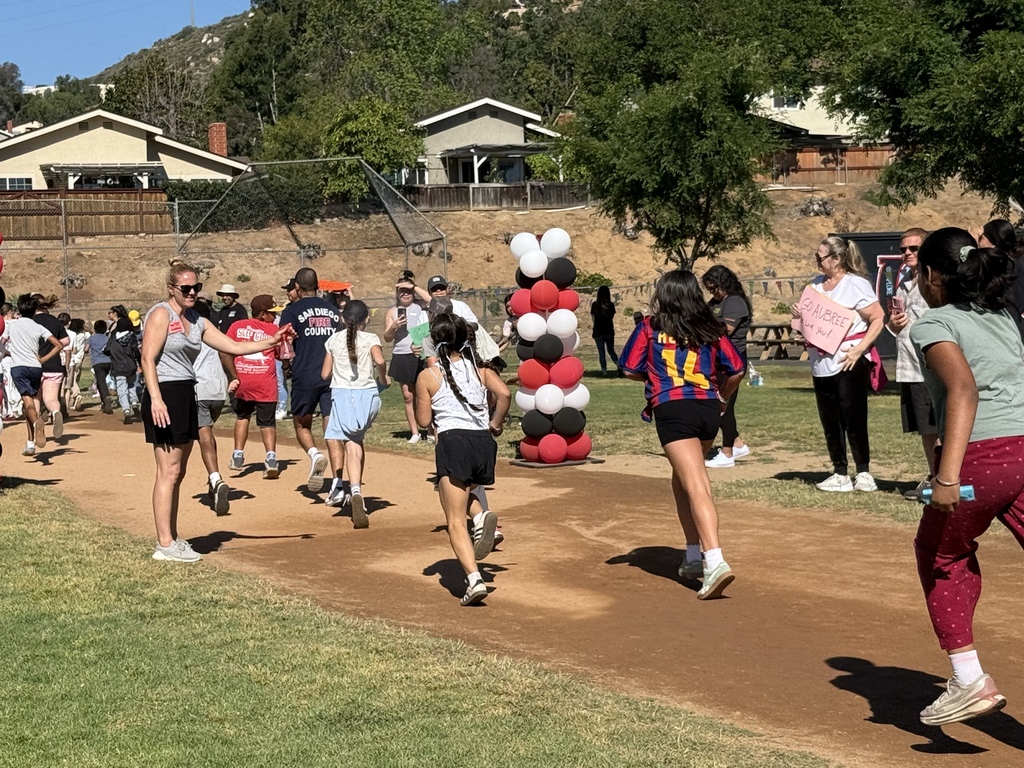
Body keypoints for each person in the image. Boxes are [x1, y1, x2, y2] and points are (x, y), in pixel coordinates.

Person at [908, 227, 1024, 726]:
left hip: (983, 458)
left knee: (940, 553)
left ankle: (968, 679)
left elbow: (963, 391)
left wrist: (947, 478)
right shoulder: (1004, 316)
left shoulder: (934, 323)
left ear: (932, 275)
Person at [141, 263, 293, 562]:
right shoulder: (161, 314)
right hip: (165, 393)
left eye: (196, 287)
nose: (192, 292)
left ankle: (172, 538)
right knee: (168, 471)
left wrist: (272, 340)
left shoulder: (197, 319)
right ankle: (164, 544)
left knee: (179, 472)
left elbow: (233, 346)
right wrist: (156, 399)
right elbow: (147, 358)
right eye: (186, 288)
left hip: (186, 390)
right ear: (171, 288)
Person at [620, 270, 746, 600]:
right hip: (706, 408)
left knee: (696, 484)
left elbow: (630, 368)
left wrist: (656, 375)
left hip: (673, 409)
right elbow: (736, 369)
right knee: (681, 480)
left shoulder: (650, 326)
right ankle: (692, 556)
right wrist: (721, 397)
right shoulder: (710, 328)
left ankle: (714, 559)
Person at [414, 313, 510, 606]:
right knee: (461, 491)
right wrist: (495, 424)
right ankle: (481, 516)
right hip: (482, 443)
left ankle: (474, 579)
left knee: (454, 518)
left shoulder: (428, 375)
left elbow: (422, 420)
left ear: (433, 341)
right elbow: (504, 393)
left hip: (453, 441)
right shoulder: (481, 369)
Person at [796, 236, 885, 493]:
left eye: (820, 257)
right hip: (820, 361)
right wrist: (798, 316)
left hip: (848, 358)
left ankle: (864, 471)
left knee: (853, 416)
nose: (817, 261)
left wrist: (860, 349)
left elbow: (878, 317)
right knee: (830, 418)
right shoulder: (814, 286)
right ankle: (840, 471)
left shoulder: (855, 284)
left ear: (836, 259)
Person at [321, 300, 389, 525]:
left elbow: (324, 374)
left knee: (350, 442)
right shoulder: (370, 339)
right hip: (367, 395)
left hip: (342, 395)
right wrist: (383, 377)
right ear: (367, 319)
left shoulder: (332, 340)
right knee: (356, 441)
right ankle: (356, 490)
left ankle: (356, 490)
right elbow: (379, 359)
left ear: (342, 318)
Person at [278, 267, 342, 495]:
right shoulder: (333, 310)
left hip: (304, 374)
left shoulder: (292, 311)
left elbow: (283, 344)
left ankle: (315, 454)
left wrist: (286, 367)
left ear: (297, 287)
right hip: (332, 374)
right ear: (318, 286)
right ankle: (338, 482)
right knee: (332, 427)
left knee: (302, 424)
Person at [885, 227, 937, 500]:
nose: (906, 253)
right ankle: (933, 476)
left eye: (913, 249)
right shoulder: (904, 278)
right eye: (903, 248)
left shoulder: (936, 279)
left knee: (939, 426)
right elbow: (897, 322)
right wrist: (892, 324)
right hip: (909, 365)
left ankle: (944, 478)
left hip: (932, 366)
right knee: (925, 429)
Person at [222, 294, 283, 481]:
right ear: (263, 314)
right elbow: (281, 354)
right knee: (267, 422)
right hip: (265, 381)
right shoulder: (274, 329)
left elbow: (225, 349)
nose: (275, 316)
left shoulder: (236, 326)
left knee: (242, 417)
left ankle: (238, 455)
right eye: (272, 313)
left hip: (243, 379)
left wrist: (233, 375)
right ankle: (271, 459)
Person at [701, 265, 752, 468]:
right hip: (717, 360)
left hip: (733, 360)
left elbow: (726, 330)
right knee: (721, 403)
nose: (712, 293)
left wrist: (703, 329)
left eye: (714, 288)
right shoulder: (716, 302)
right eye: (709, 289)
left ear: (724, 283)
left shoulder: (735, 302)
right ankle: (737, 444)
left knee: (723, 405)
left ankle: (727, 453)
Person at [6, 294, 63, 456]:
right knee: (29, 404)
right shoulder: (38, 327)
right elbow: (58, 345)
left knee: (29, 404)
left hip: (19, 368)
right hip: (36, 368)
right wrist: (43, 358)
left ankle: (38, 423)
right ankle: (30, 443)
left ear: (19, 309)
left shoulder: (12, 325)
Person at [193, 299, 231, 515]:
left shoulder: (189, 331)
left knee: (203, 435)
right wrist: (233, 377)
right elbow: (226, 352)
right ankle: (212, 480)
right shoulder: (214, 331)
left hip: (199, 389)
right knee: (207, 431)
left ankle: (215, 478)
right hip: (218, 389)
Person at [383, 276, 428, 443]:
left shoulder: (421, 307)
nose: (405, 294)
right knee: (408, 396)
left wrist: (413, 286)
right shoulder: (392, 312)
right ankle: (415, 432)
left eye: (408, 291)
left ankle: (430, 430)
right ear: (396, 294)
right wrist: (393, 327)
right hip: (401, 355)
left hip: (420, 355)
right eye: (401, 291)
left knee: (425, 394)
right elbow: (387, 337)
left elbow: (432, 300)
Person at [978, 218, 1024, 340]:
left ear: (993, 242)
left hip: (1005, 332)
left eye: (982, 238)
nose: (979, 242)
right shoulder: (1017, 265)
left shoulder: (994, 269)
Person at [33, 294, 69, 439]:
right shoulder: (54, 321)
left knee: (35, 398)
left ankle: (36, 424)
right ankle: (55, 413)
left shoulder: (30, 321)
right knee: (51, 399)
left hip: (34, 364)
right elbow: (65, 341)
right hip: (54, 364)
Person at [104, 313, 141, 424]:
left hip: (118, 366)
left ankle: (126, 410)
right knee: (131, 385)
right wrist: (140, 363)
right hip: (131, 366)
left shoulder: (114, 337)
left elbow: (106, 350)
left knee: (121, 389)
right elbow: (135, 351)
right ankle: (134, 402)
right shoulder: (131, 336)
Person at [590, 285, 621, 376]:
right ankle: (619, 366)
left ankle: (604, 371)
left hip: (598, 331)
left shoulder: (595, 305)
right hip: (609, 330)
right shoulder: (610, 305)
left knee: (601, 352)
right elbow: (612, 317)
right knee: (611, 350)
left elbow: (593, 318)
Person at [86, 319, 114, 414]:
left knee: (101, 381)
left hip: (97, 362)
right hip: (108, 361)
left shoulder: (92, 338)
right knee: (102, 381)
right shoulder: (108, 338)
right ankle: (104, 404)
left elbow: (86, 349)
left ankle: (106, 397)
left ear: (95, 329)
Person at [64, 318, 88, 411]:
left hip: (72, 359)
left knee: (71, 381)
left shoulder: (70, 334)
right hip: (80, 359)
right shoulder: (84, 335)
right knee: (75, 379)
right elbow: (90, 333)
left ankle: (77, 395)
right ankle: (75, 401)